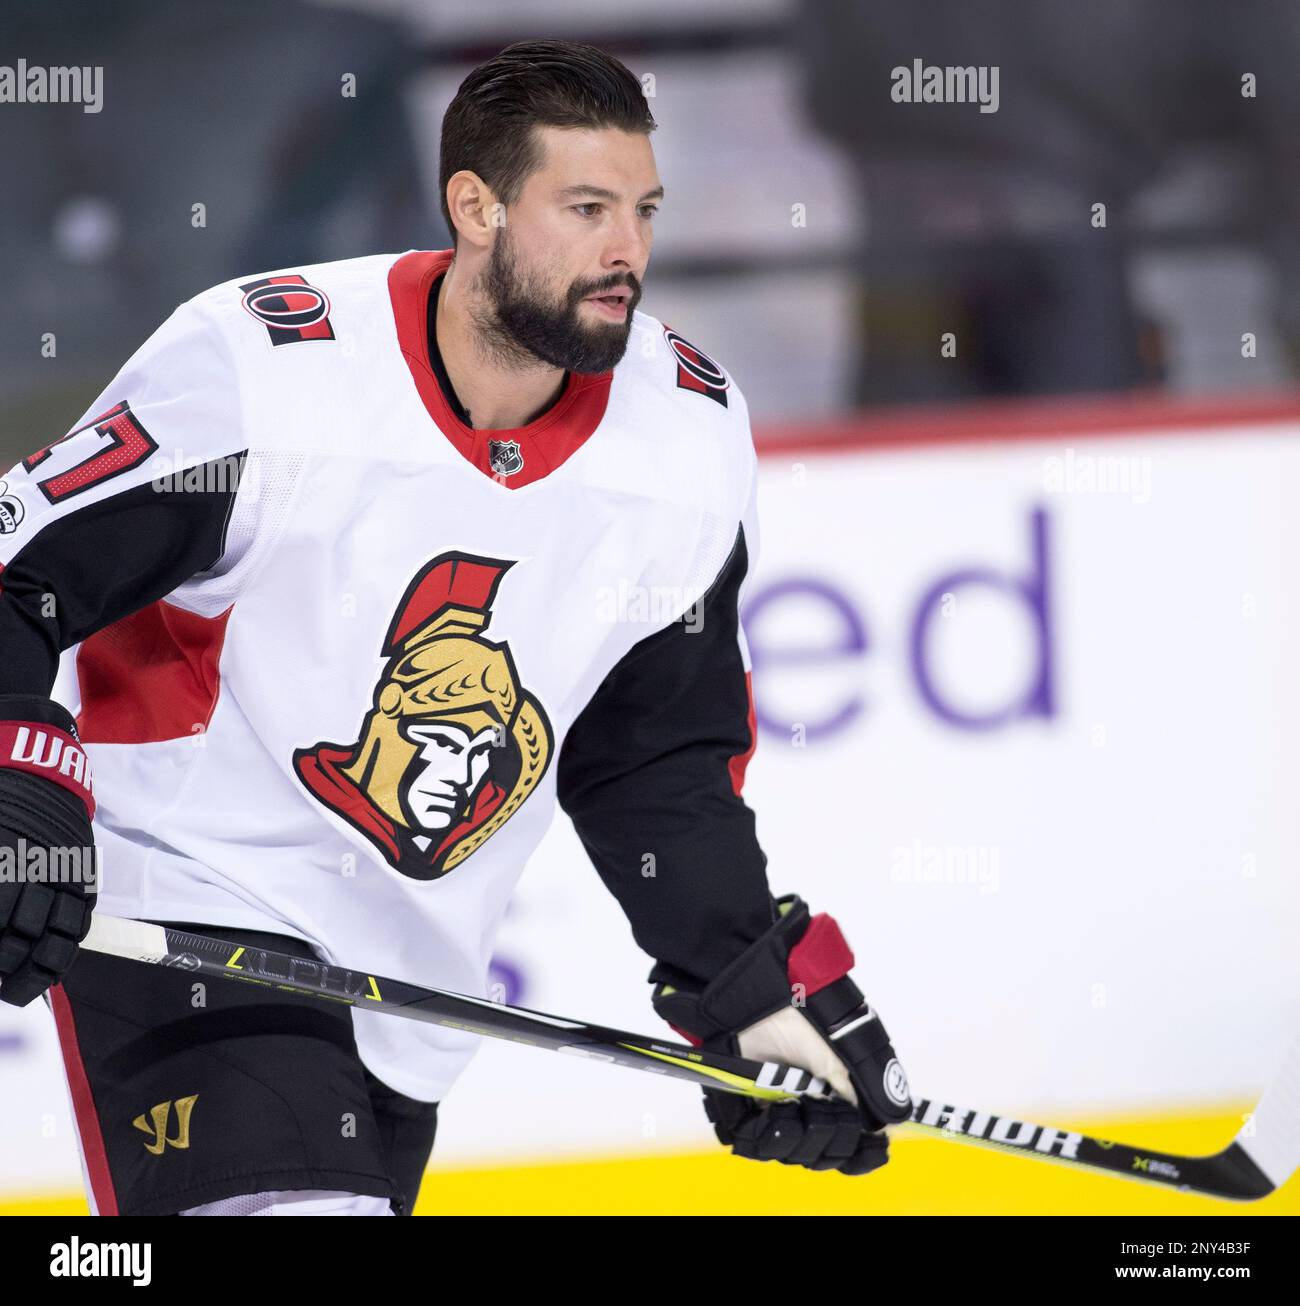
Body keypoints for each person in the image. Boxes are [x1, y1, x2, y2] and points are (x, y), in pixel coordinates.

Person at [0, 39, 910, 1217]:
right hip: (188, 916)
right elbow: (22, 574)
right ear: (473, 206)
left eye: (640, 209)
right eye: (583, 208)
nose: (625, 249)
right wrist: (21, 770)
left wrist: (738, 978)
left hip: (412, 995)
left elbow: (651, 757)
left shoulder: (685, 440)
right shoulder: (263, 375)